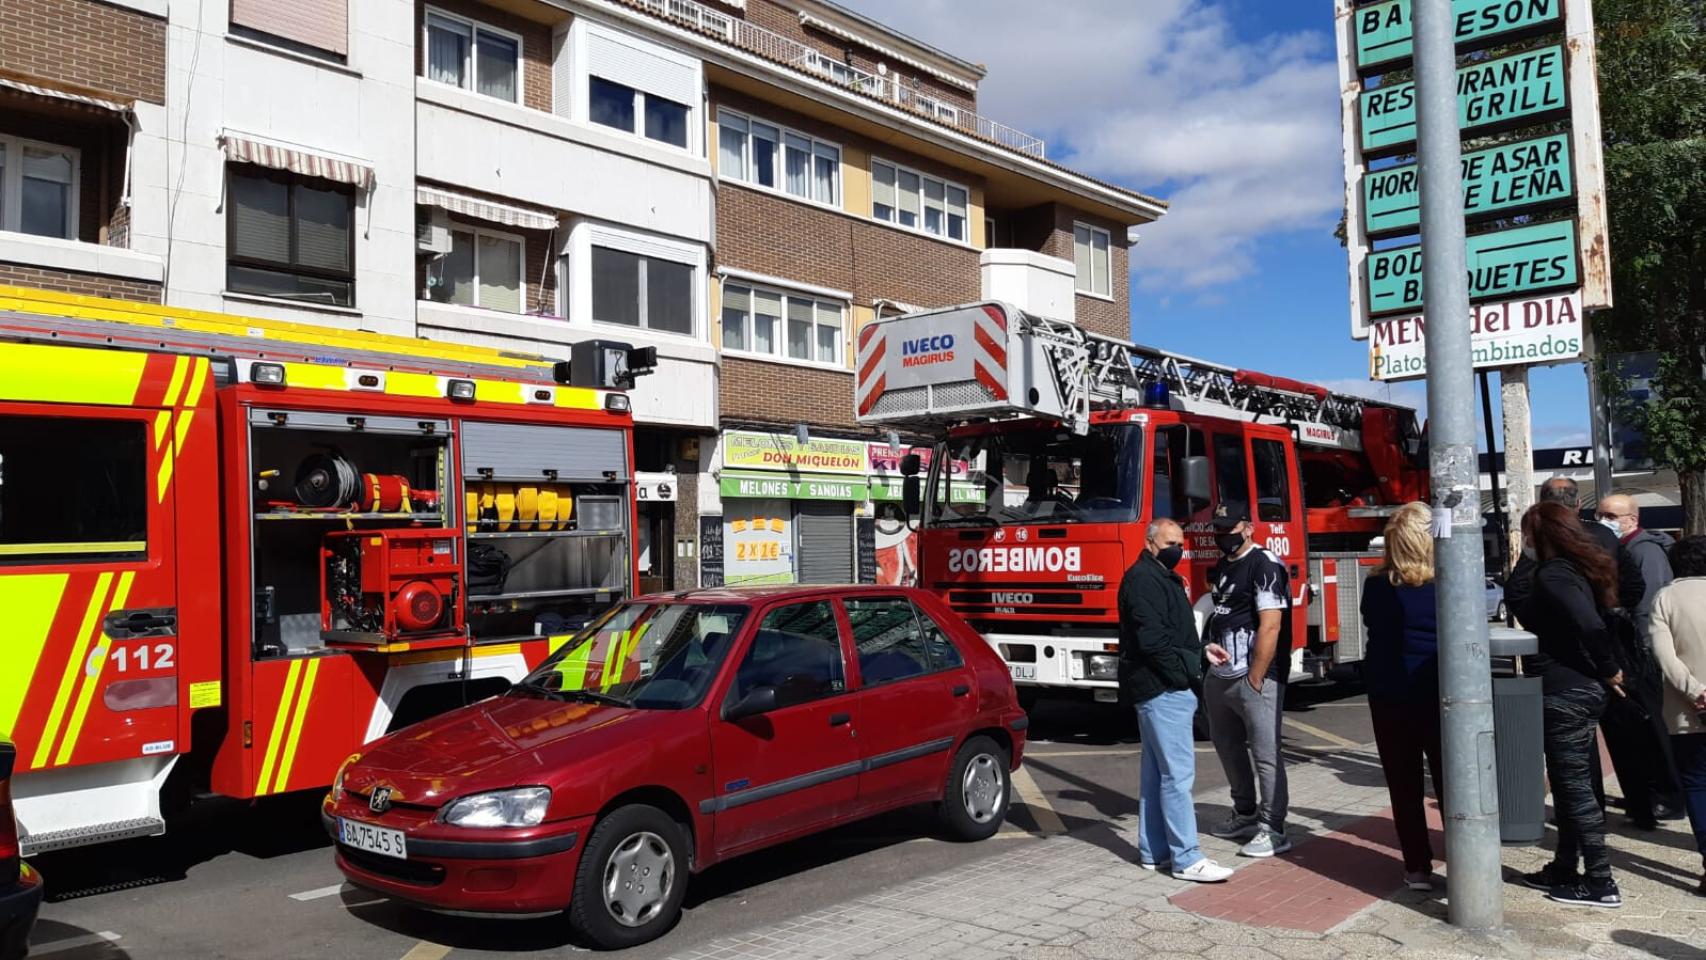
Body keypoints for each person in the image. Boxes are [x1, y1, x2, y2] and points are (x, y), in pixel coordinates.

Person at [1514, 501, 1628, 908]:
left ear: (1541, 536)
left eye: (1527, 533)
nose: (1523, 541)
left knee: (1575, 788)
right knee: (1567, 786)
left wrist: (1609, 667)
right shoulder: (1573, 569)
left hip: (1567, 690)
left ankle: (1600, 881)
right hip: (1575, 688)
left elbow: (1589, 624)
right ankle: (1564, 866)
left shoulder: (1555, 574)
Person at [1118, 518, 1232, 883]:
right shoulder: (1144, 580)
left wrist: (1201, 652)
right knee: (1178, 777)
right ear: (1151, 543)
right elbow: (1153, 643)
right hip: (1162, 689)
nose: (1178, 550)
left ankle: (1155, 852)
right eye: (1171, 542)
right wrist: (1185, 673)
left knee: (1156, 776)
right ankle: (1187, 857)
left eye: (1180, 542)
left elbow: (1173, 636)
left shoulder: (1156, 577)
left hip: (1159, 686)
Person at [1360, 502, 1444, 891]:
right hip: (1436, 692)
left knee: (1402, 783)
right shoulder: (1445, 585)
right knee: (1451, 781)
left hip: (1387, 694)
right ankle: (1463, 859)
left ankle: (1416, 866)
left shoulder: (1376, 585)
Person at [1202, 513, 1292, 858]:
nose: (1223, 536)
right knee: (1228, 747)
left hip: (1256, 678)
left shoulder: (1265, 564)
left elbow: (1271, 626)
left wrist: (1257, 676)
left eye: (1231, 530)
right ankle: (1244, 813)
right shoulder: (1223, 565)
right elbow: (1221, 614)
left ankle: (1273, 828)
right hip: (1222, 674)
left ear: (1249, 528)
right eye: (1218, 530)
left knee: (1266, 754)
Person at [1595, 492, 1685, 823]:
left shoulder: (1644, 551)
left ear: (1632, 519)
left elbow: (1649, 607)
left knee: (1654, 729)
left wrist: (1646, 655)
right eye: (1600, 513)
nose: (1603, 520)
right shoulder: (1618, 549)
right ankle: (1647, 796)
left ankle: (1668, 795)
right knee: (1637, 731)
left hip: (1642, 655)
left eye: (1611, 515)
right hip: (1630, 652)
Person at [1648, 535, 1706, 896]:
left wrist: (1697, 692)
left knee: (1698, 783)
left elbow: (1664, 656)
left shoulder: (1665, 597)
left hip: (1690, 711)